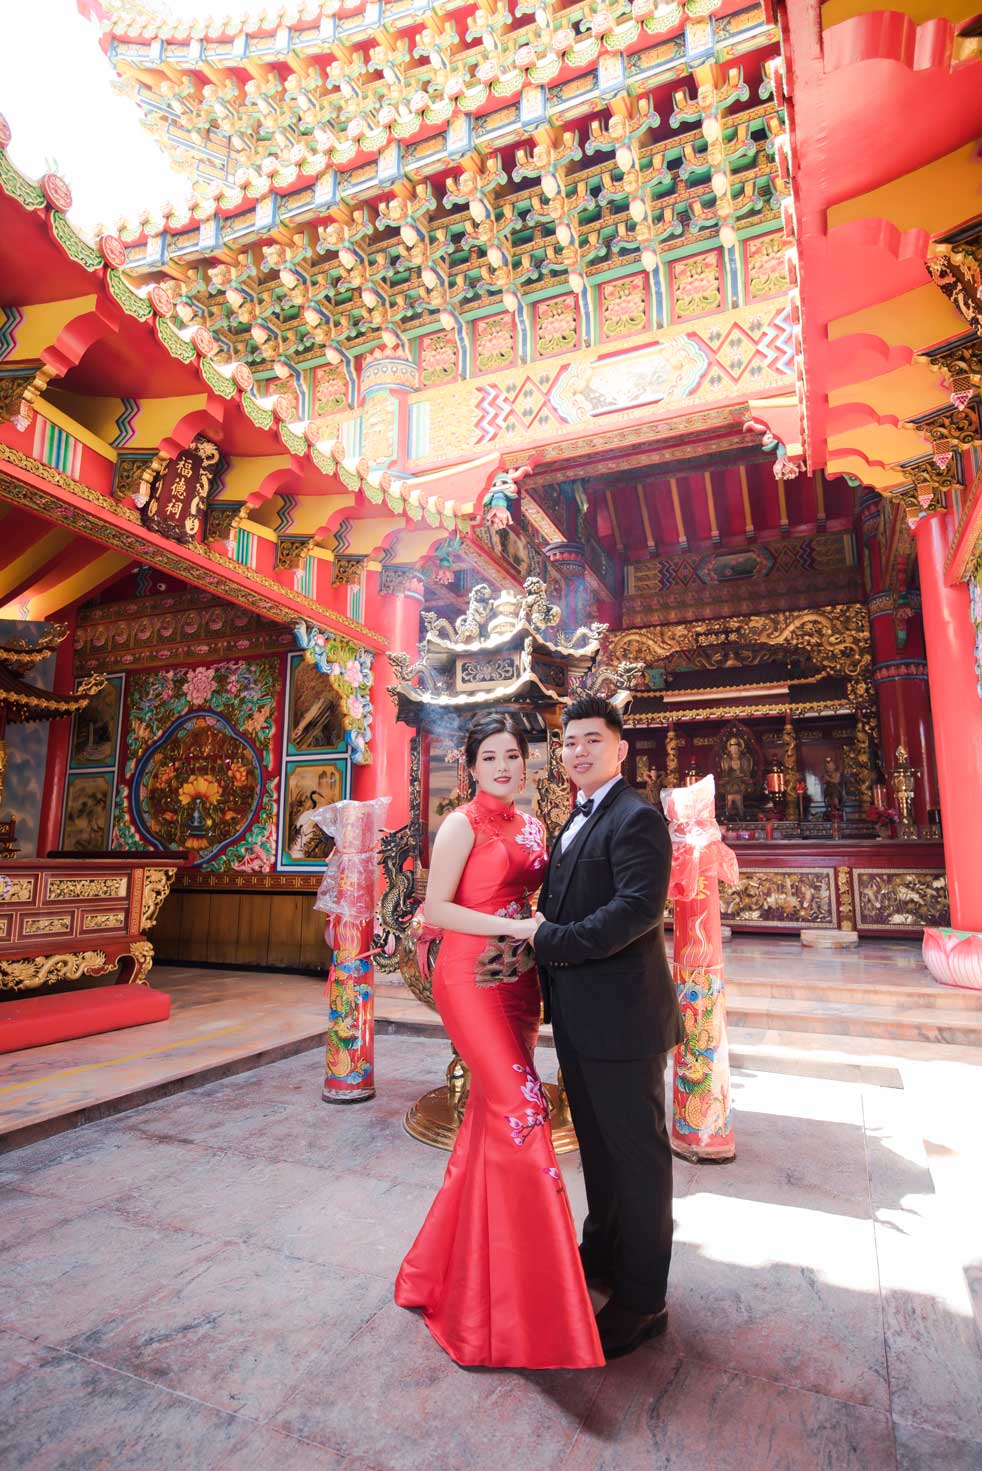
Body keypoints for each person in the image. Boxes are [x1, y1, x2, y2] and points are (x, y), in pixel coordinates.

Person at [395, 711, 603, 1370]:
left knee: (489, 1125)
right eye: (491, 758)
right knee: (522, 1112)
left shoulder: (535, 826)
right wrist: (516, 928)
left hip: (518, 982)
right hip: (470, 978)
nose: (505, 767)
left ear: (527, 761)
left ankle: (443, 1274)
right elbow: (437, 909)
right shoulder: (462, 823)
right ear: (472, 767)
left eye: (513, 755)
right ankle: (535, 1304)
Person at [531, 693, 682, 1361]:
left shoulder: (635, 816)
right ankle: (603, 1252)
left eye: (593, 739)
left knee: (639, 1158)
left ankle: (644, 1299)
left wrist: (551, 940)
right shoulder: (576, 816)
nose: (579, 751)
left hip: (624, 1020)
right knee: (597, 1146)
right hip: (580, 1016)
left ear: (620, 749)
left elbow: (638, 909)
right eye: (570, 742)